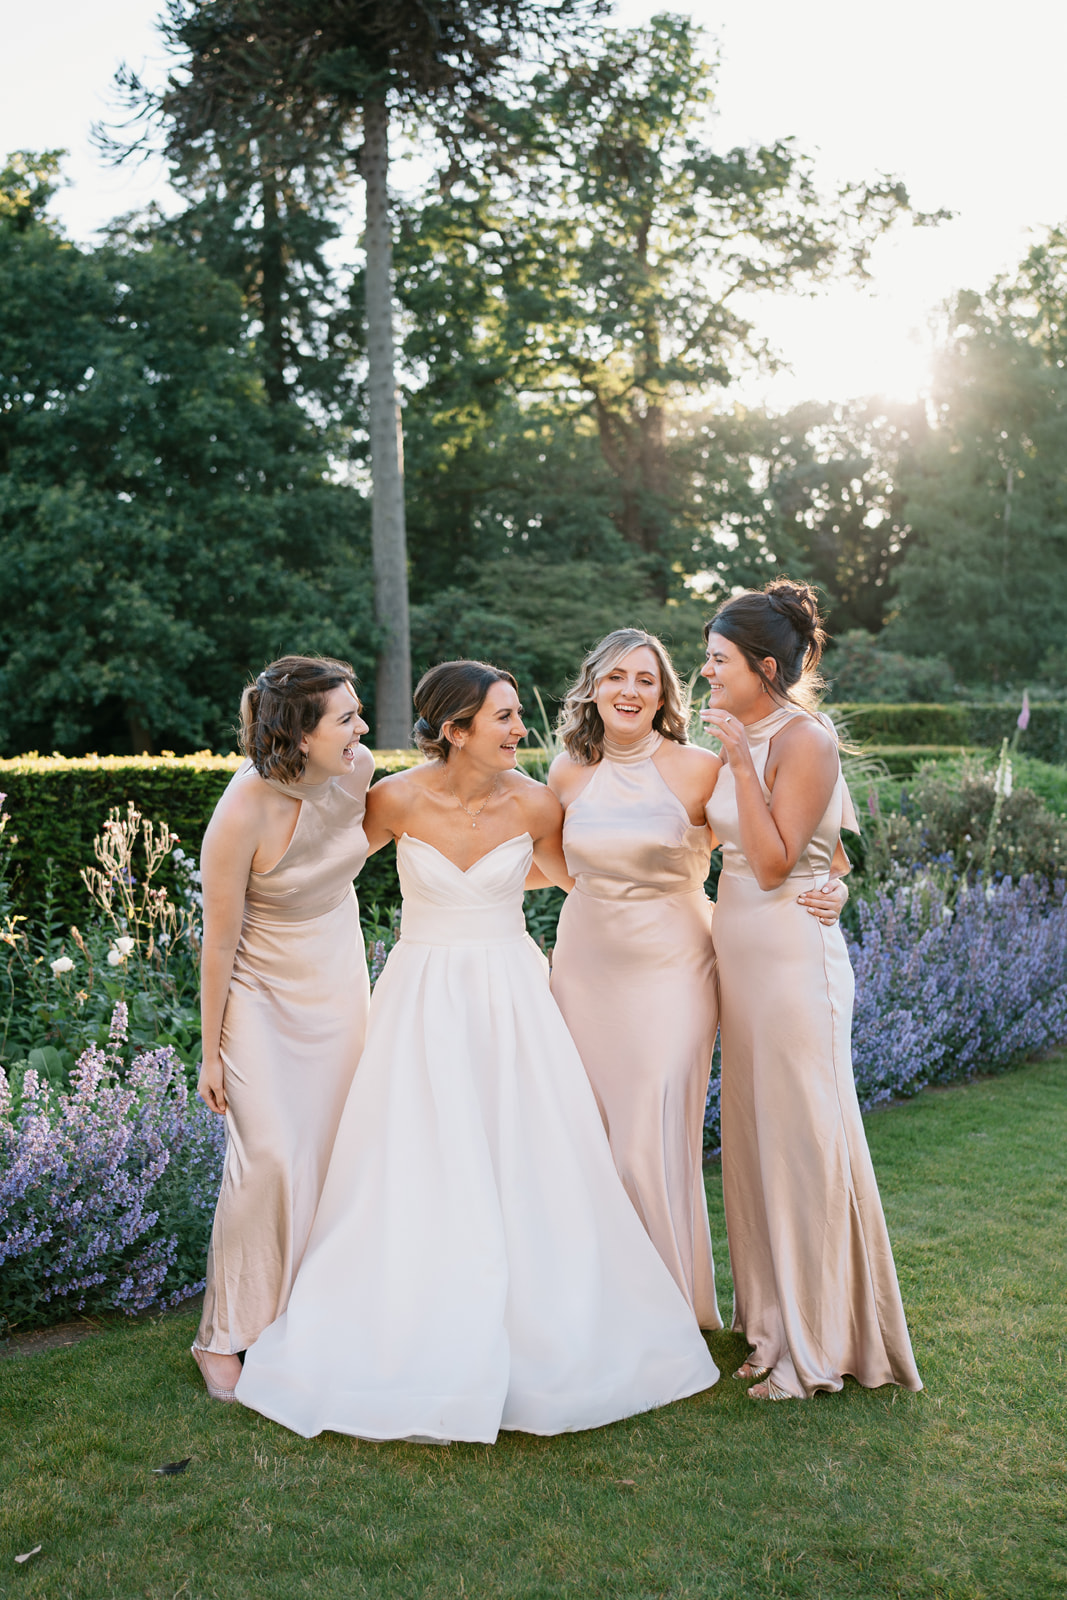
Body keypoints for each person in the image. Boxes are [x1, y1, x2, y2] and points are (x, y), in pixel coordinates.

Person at [236, 660, 718, 1442]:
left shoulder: (536, 801)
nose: (519, 729)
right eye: (501, 718)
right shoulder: (387, 797)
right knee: (414, 1154)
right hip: (420, 995)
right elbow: (318, 870)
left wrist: (681, 889)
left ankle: (560, 1317)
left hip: (511, 996)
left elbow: (580, 879)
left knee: (531, 1153)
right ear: (454, 731)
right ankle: (411, 1310)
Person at [546, 629, 848, 1331]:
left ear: (662, 695)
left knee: (649, 1129)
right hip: (585, 968)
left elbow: (809, 843)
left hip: (674, 966)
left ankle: (666, 1308)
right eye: (616, 677)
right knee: (592, 1133)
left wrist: (836, 890)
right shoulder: (563, 772)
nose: (629, 691)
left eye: (645, 680)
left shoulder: (699, 768)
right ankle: (602, 1302)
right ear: (592, 686)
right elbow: (537, 858)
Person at [701, 581, 922, 1401]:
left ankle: (816, 1345)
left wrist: (736, 761)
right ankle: (768, 1326)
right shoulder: (745, 731)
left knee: (801, 1145)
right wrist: (840, 878)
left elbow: (770, 862)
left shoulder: (804, 738)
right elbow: (831, 856)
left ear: (764, 666)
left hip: (793, 962)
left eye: (717, 660)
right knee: (756, 1144)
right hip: (740, 958)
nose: (705, 672)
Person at [191, 656, 374, 1403]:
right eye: (346, 719)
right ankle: (221, 1336)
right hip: (261, 997)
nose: (362, 729)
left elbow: (378, 838)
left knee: (333, 1153)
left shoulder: (356, 772)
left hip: (336, 982)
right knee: (266, 1157)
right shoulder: (242, 812)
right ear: (298, 735)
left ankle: (308, 1313)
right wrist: (210, 1051)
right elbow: (218, 942)